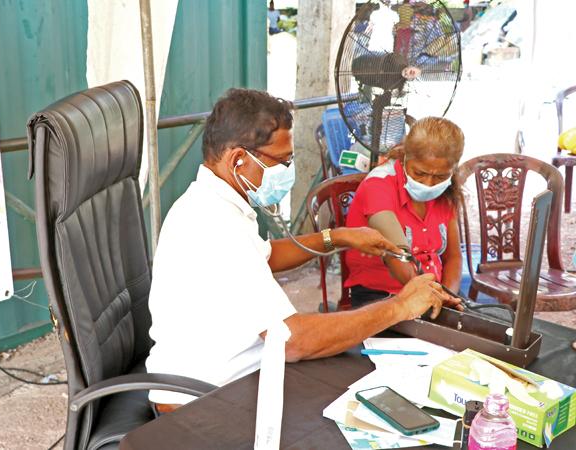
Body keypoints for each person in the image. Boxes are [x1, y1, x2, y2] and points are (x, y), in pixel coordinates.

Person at [144, 89, 459, 411]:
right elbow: (293, 341)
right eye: (281, 162)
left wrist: (338, 237)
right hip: (200, 400)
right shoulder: (212, 224)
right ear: (238, 159)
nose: (287, 171)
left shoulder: (216, 204)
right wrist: (401, 306)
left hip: (237, 376)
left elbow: (267, 255)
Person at [344, 117, 465, 308]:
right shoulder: (378, 185)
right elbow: (397, 256)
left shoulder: (446, 191)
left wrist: (448, 295)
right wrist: (432, 297)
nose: (429, 183)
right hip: (380, 296)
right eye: (420, 173)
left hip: (436, 292)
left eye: (440, 176)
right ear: (406, 158)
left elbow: (453, 257)